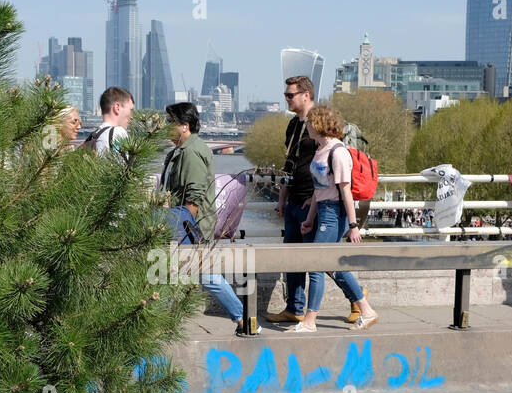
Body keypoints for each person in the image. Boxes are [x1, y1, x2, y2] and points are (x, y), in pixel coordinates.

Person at [271, 76, 368, 325]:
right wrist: (283, 197)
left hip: (314, 202)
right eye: (285, 95)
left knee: (321, 261)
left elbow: (333, 171)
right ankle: (295, 308)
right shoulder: (293, 126)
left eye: (290, 95)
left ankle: (357, 298)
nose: (286, 99)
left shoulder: (320, 122)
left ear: (306, 95)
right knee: (293, 257)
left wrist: (316, 200)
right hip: (297, 199)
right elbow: (289, 165)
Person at [161, 102, 257, 337]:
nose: (165, 126)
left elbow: (193, 195)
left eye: (169, 122)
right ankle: (242, 317)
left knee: (199, 273)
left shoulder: (191, 152)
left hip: (187, 224)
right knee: (189, 273)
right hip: (184, 222)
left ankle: (243, 317)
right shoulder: (181, 150)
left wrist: (182, 227)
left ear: (184, 125)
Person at [291, 105, 379, 333]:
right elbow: (317, 191)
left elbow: (346, 191)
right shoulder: (320, 150)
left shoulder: (338, 152)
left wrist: (353, 226)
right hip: (322, 210)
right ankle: (366, 310)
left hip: (334, 213)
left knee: (317, 264)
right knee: (332, 266)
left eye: (309, 122)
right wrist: (310, 218)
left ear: (318, 124)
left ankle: (310, 321)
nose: (306, 126)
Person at [87, 87, 133, 158]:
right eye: (131, 110)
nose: (131, 116)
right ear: (117, 108)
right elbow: (123, 166)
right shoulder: (118, 132)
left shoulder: (95, 135)